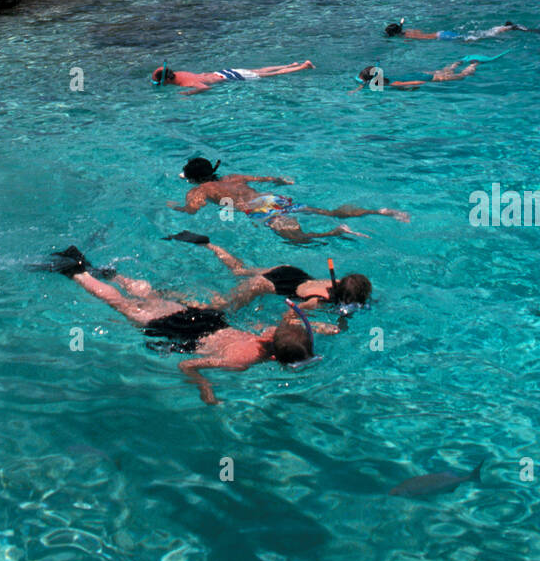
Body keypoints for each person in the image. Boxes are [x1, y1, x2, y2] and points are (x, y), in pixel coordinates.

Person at [35, 246, 339, 405]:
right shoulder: (241, 361)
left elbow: (289, 321)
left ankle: (108, 272)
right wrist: (205, 387)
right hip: (181, 331)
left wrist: (319, 328)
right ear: (273, 358)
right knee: (123, 306)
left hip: (208, 319)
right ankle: (77, 273)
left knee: (150, 296)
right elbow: (188, 365)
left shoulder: (271, 332)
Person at [166, 156, 409, 242]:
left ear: (192, 179)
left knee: (298, 239)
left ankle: (336, 233)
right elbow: (267, 178)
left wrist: (174, 207)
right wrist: (283, 181)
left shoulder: (199, 190)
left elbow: (192, 211)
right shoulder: (233, 176)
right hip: (274, 199)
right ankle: (380, 211)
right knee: (327, 211)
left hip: (260, 211)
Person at [165, 234, 372, 312]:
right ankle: (169, 295)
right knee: (220, 307)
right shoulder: (318, 301)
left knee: (238, 270)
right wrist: (318, 326)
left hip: (289, 271)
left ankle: (210, 245)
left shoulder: (332, 283)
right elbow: (293, 314)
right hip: (270, 284)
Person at [151, 60, 314, 95]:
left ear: (166, 80)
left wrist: (188, 94)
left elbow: (205, 87)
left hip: (231, 77)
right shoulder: (180, 73)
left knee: (269, 75)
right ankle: (290, 64)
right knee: (259, 68)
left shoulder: (186, 82)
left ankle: (302, 67)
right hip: (224, 71)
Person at [356, 60, 479, 89]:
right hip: (419, 73)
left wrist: (419, 85)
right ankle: (455, 64)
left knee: (462, 76)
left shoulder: (392, 84)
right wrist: (357, 89)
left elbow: (414, 83)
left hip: (428, 78)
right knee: (445, 71)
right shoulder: (384, 78)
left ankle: (474, 65)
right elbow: (365, 82)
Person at [384, 19, 463, 40]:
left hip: (441, 37)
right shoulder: (409, 31)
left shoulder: (407, 37)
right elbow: (419, 31)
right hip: (441, 33)